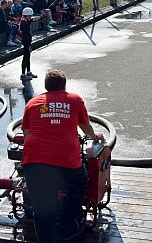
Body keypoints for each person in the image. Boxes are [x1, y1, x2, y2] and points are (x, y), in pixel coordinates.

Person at [21, 69, 104, 243]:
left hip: (34, 161)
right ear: (64, 86)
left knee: (42, 208)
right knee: (78, 186)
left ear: (45, 86)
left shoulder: (32, 103)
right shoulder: (74, 100)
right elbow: (85, 127)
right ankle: (67, 225)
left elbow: (27, 135)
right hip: (66, 160)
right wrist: (96, 137)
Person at [19, 7, 40, 80]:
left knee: (28, 57)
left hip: (27, 41)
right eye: (30, 15)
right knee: (25, 57)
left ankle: (28, 71)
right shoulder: (24, 24)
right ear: (26, 15)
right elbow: (27, 36)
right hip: (26, 42)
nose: (30, 17)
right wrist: (29, 46)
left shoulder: (25, 21)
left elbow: (32, 19)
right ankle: (23, 74)